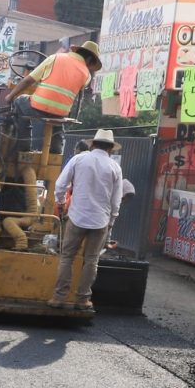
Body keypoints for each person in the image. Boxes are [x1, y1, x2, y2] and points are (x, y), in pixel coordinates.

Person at [50, 127, 123, 312]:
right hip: (101, 221)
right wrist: (112, 221)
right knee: (91, 260)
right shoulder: (115, 167)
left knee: (67, 257)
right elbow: (116, 200)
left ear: (94, 144)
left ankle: (59, 297)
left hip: (76, 217)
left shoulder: (79, 159)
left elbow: (60, 185)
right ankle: (82, 299)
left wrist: (59, 203)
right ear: (110, 148)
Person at [1, 39, 101, 152]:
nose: (89, 66)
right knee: (57, 125)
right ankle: (55, 151)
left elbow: (28, 81)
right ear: (88, 59)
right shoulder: (87, 75)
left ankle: (23, 146)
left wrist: (10, 96)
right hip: (60, 114)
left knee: (19, 102)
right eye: (91, 64)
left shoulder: (55, 58)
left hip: (38, 107)